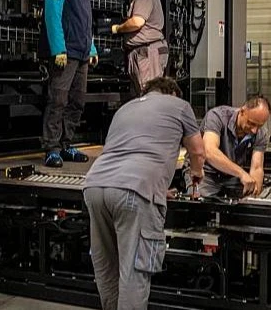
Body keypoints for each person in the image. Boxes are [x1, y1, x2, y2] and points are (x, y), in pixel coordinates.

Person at [83, 77, 205, 310]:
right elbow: (198, 151)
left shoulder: (125, 109)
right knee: (133, 272)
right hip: (134, 191)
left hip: (95, 185)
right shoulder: (180, 106)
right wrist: (196, 174)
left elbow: (127, 150)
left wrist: (157, 190)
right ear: (172, 93)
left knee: (107, 268)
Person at [39, 0, 99, 168]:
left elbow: (85, 22)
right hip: (66, 53)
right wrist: (58, 49)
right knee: (58, 100)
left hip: (81, 53)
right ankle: (52, 148)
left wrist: (91, 48)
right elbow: (52, 15)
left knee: (77, 101)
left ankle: (66, 144)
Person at [185, 96, 270, 197]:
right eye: (251, 123)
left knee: (244, 206)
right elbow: (210, 152)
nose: (254, 130)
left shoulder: (261, 132)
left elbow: (257, 167)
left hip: (231, 177)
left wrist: (254, 193)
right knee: (201, 207)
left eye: (259, 125)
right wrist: (242, 173)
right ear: (242, 111)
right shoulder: (217, 116)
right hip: (204, 174)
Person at [111, 0, 168, 96]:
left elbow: (137, 22)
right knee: (144, 96)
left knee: (149, 95)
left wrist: (118, 28)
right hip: (144, 52)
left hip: (148, 53)